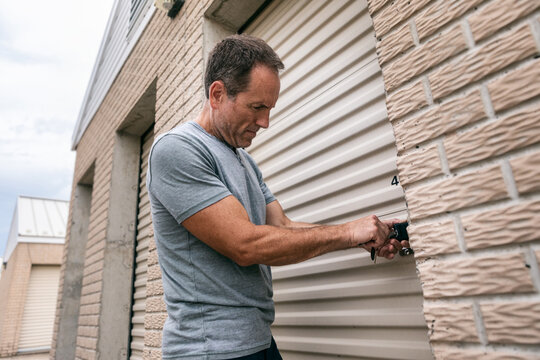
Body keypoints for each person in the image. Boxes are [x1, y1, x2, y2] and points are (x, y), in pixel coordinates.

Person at [146, 34, 408, 360]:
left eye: (269, 109)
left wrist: (364, 235)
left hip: (257, 340)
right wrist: (347, 232)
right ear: (217, 94)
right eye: (257, 107)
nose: (265, 122)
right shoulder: (177, 150)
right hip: (209, 349)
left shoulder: (246, 162)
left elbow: (281, 226)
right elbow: (246, 245)